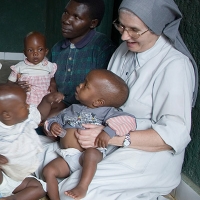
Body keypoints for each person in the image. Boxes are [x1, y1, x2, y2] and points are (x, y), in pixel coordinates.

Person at [35, 0, 198, 199]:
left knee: (72, 192)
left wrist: (111, 136)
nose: (124, 36)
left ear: (157, 27)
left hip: (147, 153)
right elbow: (101, 100)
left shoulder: (175, 66)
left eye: (134, 30)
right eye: (121, 26)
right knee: (32, 153)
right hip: (105, 139)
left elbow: (174, 134)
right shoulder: (124, 50)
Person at [42, 69, 136, 200]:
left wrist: (108, 132)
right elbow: (54, 120)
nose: (80, 85)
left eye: (86, 85)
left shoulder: (106, 111)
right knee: (48, 171)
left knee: (91, 154)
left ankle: (82, 186)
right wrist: (52, 125)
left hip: (87, 154)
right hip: (68, 156)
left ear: (98, 102)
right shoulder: (72, 109)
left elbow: (128, 121)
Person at [46, 0, 116, 118]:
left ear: (93, 23)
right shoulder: (57, 48)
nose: (66, 20)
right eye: (65, 13)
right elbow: (49, 75)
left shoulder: (103, 47)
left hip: (88, 109)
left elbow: (105, 94)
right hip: (59, 102)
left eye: (76, 17)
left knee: (50, 122)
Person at [0, 83, 64, 199]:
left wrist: (46, 100)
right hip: (3, 176)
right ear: (7, 115)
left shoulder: (26, 118)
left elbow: (41, 114)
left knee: (40, 188)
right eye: (24, 105)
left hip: (16, 178)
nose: (28, 106)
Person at [7, 31, 57, 106]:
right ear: (25, 53)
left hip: (44, 102)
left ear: (46, 51)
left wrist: (53, 85)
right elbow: (8, 84)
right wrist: (16, 86)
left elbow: (52, 78)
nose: (35, 53)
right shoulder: (19, 67)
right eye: (30, 50)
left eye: (40, 49)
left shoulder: (50, 66)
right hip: (25, 103)